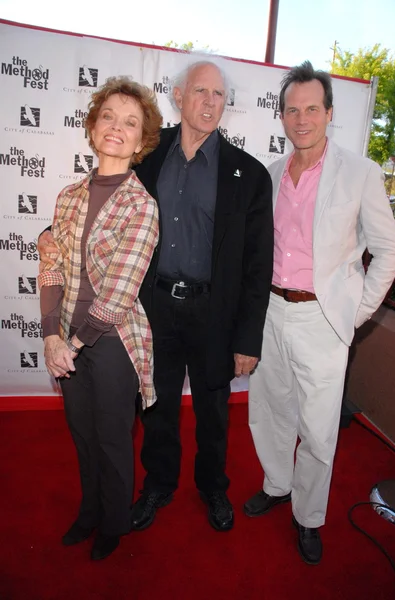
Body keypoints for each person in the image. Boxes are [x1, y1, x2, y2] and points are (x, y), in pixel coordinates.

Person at [39, 60, 273, 532]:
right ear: (179, 96)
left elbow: (257, 264)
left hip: (213, 311)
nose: (210, 103)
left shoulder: (248, 174)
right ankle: (159, 485)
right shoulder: (147, 152)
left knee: (212, 408)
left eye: (219, 96)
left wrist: (248, 337)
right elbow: (97, 201)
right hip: (151, 306)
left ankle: (212, 487)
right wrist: (49, 234)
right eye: (201, 92)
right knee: (158, 405)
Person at [244, 61, 395, 565]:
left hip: (323, 320)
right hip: (269, 311)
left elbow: (389, 251)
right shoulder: (268, 175)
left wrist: (354, 314)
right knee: (269, 410)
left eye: (312, 108)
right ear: (283, 117)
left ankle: (308, 516)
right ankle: (276, 484)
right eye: (292, 109)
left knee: (317, 428)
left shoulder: (361, 173)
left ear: (329, 113)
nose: (302, 117)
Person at [38, 76, 161, 560]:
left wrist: (71, 343)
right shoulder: (68, 196)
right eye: (108, 116)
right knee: (81, 434)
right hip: (66, 333)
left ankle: (113, 523)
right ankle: (89, 510)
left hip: (113, 341)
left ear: (141, 140)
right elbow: (50, 265)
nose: (117, 127)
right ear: (92, 127)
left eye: (130, 122)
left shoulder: (142, 205)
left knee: (112, 438)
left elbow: (118, 293)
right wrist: (51, 336)